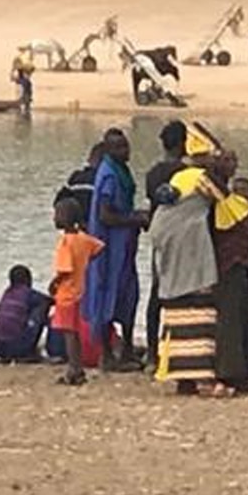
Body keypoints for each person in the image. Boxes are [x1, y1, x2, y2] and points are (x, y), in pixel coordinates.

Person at [149, 159, 220, 395]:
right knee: (200, 322)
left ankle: (183, 380)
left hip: (173, 277)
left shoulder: (165, 214)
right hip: (193, 274)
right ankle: (201, 379)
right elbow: (225, 198)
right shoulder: (193, 204)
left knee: (176, 326)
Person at [83, 128, 146, 369]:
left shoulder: (121, 170)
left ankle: (127, 350)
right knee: (107, 295)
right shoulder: (109, 174)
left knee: (129, 295)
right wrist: (134, 219)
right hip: (109, 248)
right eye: (119, 147)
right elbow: (105, 215)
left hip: (124, 246)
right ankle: (108, 355)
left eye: (126, 145)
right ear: (108, 150)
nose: (126, 151)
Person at [205, 141, 248, 395]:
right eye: (226, 160)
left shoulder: (229, 197)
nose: (232, 165)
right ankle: (228, 373)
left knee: (239, 317)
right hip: (226, 263)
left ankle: (237, 371)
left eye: (233, 160)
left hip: (238, 262)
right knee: (229, 319)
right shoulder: (214, 195)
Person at [144, 121, 190, 347]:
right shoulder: (186, 173)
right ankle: (174, 346)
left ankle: (153, 350)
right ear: (183, 143)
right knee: (180, 294)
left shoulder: (153, 173)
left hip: (159, 237)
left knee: (157, 293)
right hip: (183, 238)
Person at [51, 197, 105, 386]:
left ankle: (74, 368)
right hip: (80, 291)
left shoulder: (66, 242)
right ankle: (77, 368)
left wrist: (53, 284)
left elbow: (64, 270)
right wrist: (85, 261)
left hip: (65, 294)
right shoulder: (83, 239)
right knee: (75, 332)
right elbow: (99, 248)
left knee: (69, 334)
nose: (54, 218)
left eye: (57, 214)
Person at [0, 266, 49, 362]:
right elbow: (48, 300)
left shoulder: (7, 293)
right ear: (28, 280)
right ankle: (29, 350)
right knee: (42, 306)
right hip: (16, 348)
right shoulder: (28, 293)